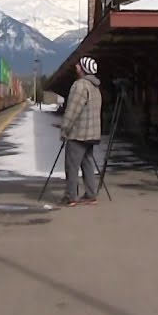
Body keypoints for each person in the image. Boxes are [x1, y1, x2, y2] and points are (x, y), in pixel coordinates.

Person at [59, 55, 103, 206]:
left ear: (84, 69)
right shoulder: (95, 87)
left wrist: (64, 129)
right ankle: (91, 194)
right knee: (87, 163)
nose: (76, 67)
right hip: (92, 134)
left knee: (72, 165)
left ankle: (70, 196)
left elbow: (72, 110)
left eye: (79, 65)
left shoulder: (80, 86)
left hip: (78, 133)